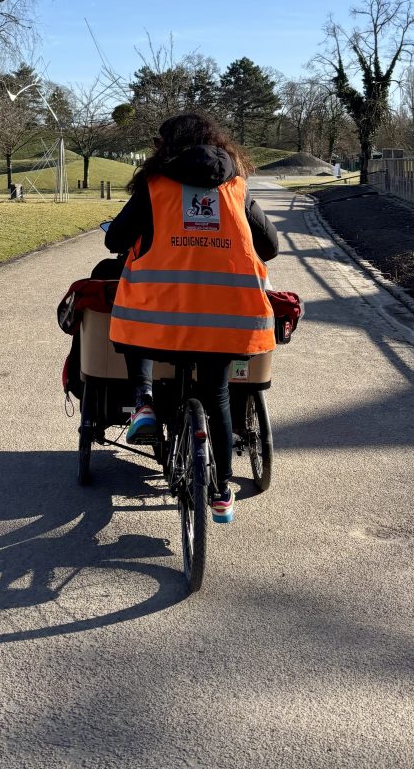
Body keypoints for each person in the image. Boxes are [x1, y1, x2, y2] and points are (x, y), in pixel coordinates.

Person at [105, 112, 279, 525]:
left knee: (134, 326)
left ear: (166, 147)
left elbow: (116, 240)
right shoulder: (237, 188)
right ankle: (221, 492)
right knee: (217, 395)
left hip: (159, 320)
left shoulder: (156, 187)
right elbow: (269, 247)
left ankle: (144, 403)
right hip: (228, 321)